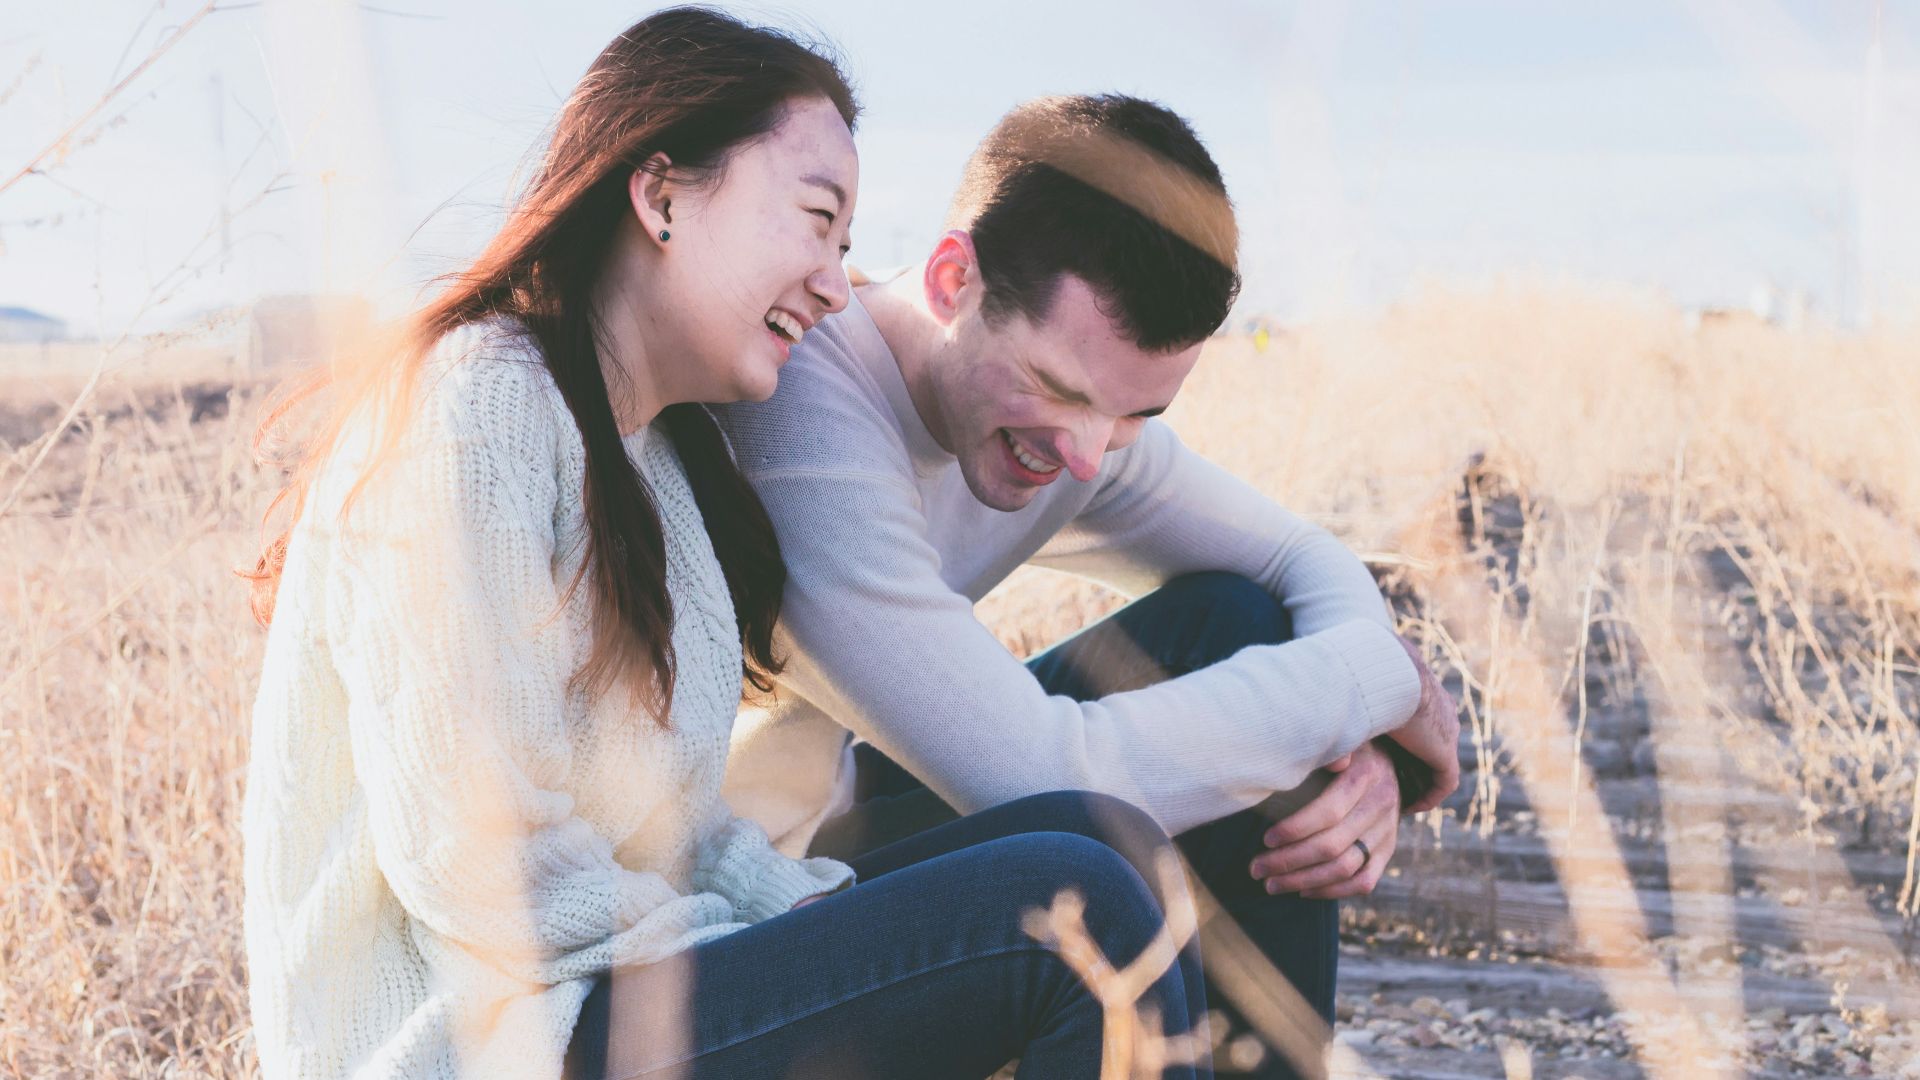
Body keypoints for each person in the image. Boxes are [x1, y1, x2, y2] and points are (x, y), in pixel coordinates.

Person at [241, 11, 1206, 1079]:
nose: (836, 285)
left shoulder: (656, 462)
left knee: (1107, 839)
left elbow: (675, 830)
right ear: (661, 196)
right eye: (815, 220)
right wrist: (757, 948)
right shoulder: (474, 408)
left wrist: (805, 919)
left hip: (606, 995)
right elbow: (473, 859)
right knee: (1080, 918)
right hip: (486, 1041)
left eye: (846, 247)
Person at [714, 93, 1462, 1078]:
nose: (1085, 455)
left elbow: (1298, 557)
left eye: (1136, 415)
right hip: (730, 918)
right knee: (1116, 837)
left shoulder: (1081, 427)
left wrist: (1357, 746)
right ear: (952, 280)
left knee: (1243, 623)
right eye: (1060, 390)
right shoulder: (805, 406)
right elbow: (1045, 780)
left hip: (837, 826)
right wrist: (1376, 685)